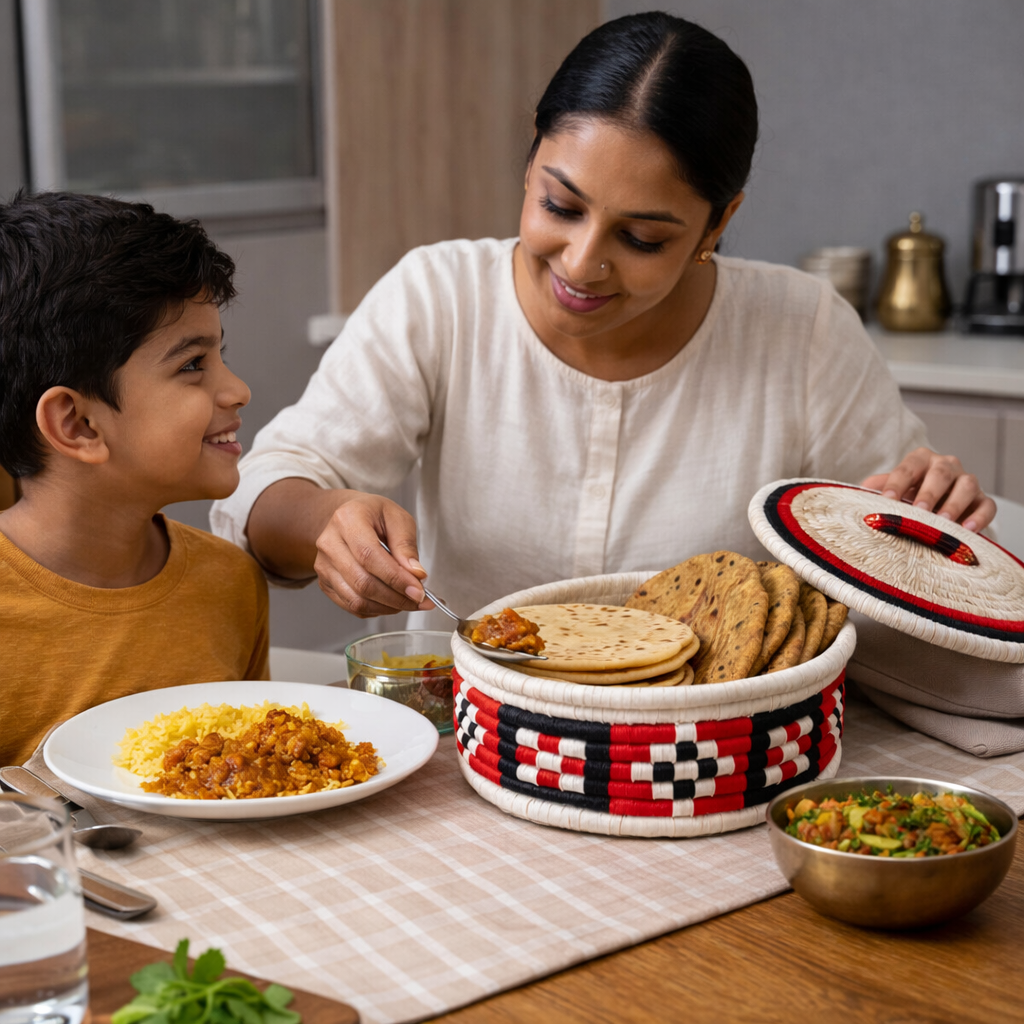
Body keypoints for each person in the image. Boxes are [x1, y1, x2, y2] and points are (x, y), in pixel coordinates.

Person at [212, 12, 994, 625]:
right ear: (531, 159)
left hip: (713, 747)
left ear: (718, 227)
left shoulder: (802, 330)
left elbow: (896, 559)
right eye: (559, 205)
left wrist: (929, 519)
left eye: (643, 237)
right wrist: (328, 518)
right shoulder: (439, 295)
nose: (583, 262)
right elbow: (260, 496)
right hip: (476, 737)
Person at [0, 191, 269, 765]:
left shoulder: (232, 584)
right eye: (192, 365)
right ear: (77, 424)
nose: (237, 390)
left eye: (220, 355)